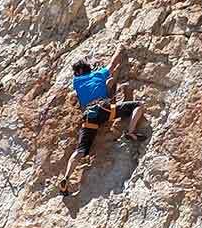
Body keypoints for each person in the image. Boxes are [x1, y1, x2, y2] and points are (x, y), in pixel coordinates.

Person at [59, 44, 145, 196]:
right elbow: (113, 63)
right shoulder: (98, 74)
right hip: (105, 110)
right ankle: (131, 132)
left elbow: (86, 80)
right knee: (138, 105)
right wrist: (120, 48)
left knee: (80, 150)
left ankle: (66, 178)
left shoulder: (77, 82)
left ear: (78, 72)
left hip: (89, 117)